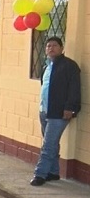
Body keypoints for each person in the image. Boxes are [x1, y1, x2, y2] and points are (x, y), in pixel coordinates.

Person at [30, 36, 81, 186]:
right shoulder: (46, 67)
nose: (51, 48)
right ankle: (53, 172)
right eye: (48, 46)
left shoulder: (69, 66)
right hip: (45, 110)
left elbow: (74, 89)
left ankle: (40, 174)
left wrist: (70, 108)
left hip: (59, 112)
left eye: (54, 46)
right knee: (52, 143)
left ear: (61, 48)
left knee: (48, 145)